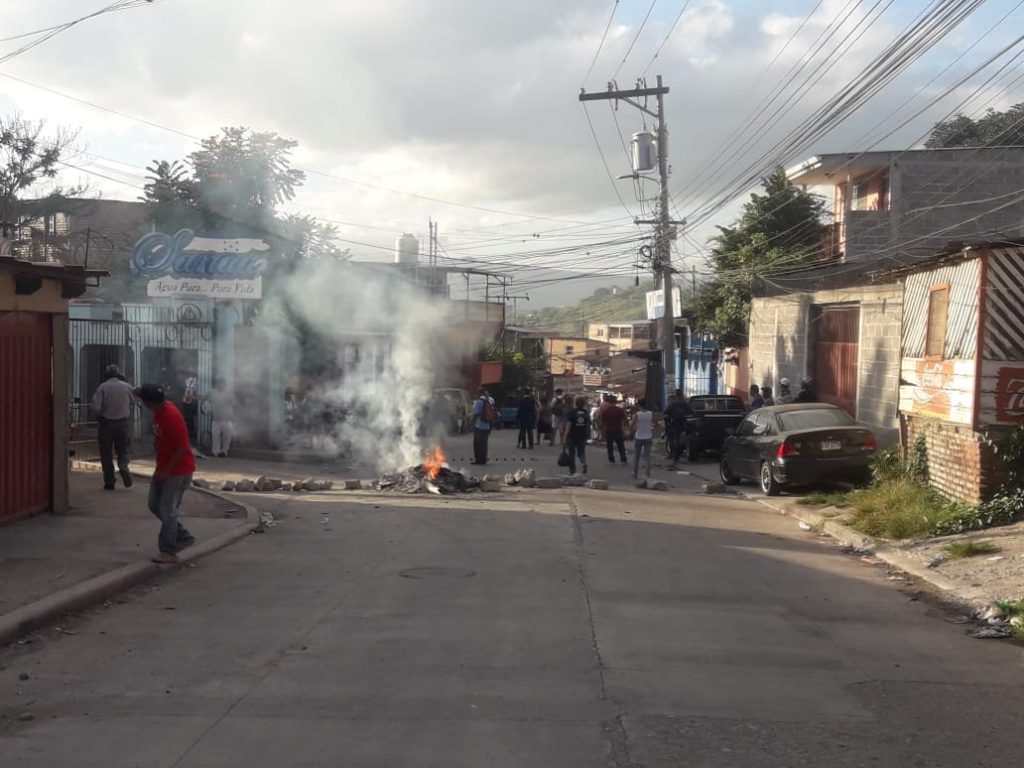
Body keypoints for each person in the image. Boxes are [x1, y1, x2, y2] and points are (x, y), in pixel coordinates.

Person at [135, 384, 196, 565]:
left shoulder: (171, 416)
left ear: (148, 403)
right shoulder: (160, 412)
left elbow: (182, 448)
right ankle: (183, 536)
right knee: (154, 505)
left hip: (177, 471)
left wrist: (166, 471)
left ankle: (168, 551)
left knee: (167, 510)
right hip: (164, 468)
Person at [91, 364, 135, 490]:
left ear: (107, 374)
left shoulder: (102, 387)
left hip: (106, 424)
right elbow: (136, 399)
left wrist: (97, 416)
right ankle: (123, 467)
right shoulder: (126, 386)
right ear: (118, 374)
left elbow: (95, 407)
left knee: (106, 454)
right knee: (124, 449)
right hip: (123, 423)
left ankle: (109, 482)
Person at [562, 395, 591, 475]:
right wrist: (588, 435)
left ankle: (572, 471)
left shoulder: (572, 412)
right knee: (581, 452)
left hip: (572, 435)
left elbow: (569, 424)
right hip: (582, 436)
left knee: (572, 453)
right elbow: (588, 425)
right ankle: (583, 463)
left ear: (575, 403)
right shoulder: (586, 413)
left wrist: (565, 435)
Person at [663, 392, 692, 468]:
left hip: (674, 425)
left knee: (673, 441)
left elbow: (665, 413)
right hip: (683, 425)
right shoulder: (685, 404)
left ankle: (674, 457)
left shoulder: (672, 404)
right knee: (679, 442)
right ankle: (676, 457)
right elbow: (691, 412)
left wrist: (668, 420)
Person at [630, 398, 654, 483]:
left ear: (639, 405)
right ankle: (647, 474)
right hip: (648, 436)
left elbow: (632, 425)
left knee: (637, 456)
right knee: (647, 457)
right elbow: (656, 423)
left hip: (639, 436)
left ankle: (635, 473)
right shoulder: (651, 414)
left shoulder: (637, 415)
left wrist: (631, 432)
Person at [209, 378, 234, 457]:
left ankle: (224, 451)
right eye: (218, 383)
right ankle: (215, 452)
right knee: (215, 437)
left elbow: (234, 404)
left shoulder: (229, 394)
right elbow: (203, 397)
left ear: (224, 385)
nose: (219, 385)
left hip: (226, 419)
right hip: (216, 419)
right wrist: (191, 396)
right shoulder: (212, 392)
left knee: (227, 437)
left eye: (221, 383)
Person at [602, 395, 628, 464]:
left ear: (608, 402)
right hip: (618, 430)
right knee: (621, 445)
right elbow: (624, 420)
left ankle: (611, 459)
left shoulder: (606, 410)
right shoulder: (619, 410)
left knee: (610, 446)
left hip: (609, 430)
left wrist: (603, 433)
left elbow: (604, 423)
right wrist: (624, 431)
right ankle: (623, 459)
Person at [471, 387, 493, 465]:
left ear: (479, 393)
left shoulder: (478, 402)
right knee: (484, 444)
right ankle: (483, 459)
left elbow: (476, 414)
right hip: (487, 426)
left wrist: (472, 423)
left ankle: (478, 460)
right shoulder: (489, 401)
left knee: (477, 444)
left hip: (479, 426)